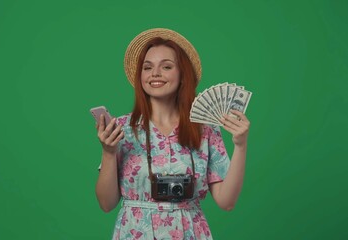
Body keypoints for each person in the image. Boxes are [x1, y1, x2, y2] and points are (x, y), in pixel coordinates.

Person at [95, 28, 250, 240]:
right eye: (147, 67)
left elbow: (227, 202)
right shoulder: (122, 128)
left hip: (190, 233)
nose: (155, 74)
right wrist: (108, 152)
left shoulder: (205, 129)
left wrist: (240, 145)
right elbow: (106, 204)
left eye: (166, 66)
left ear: (183, 75)